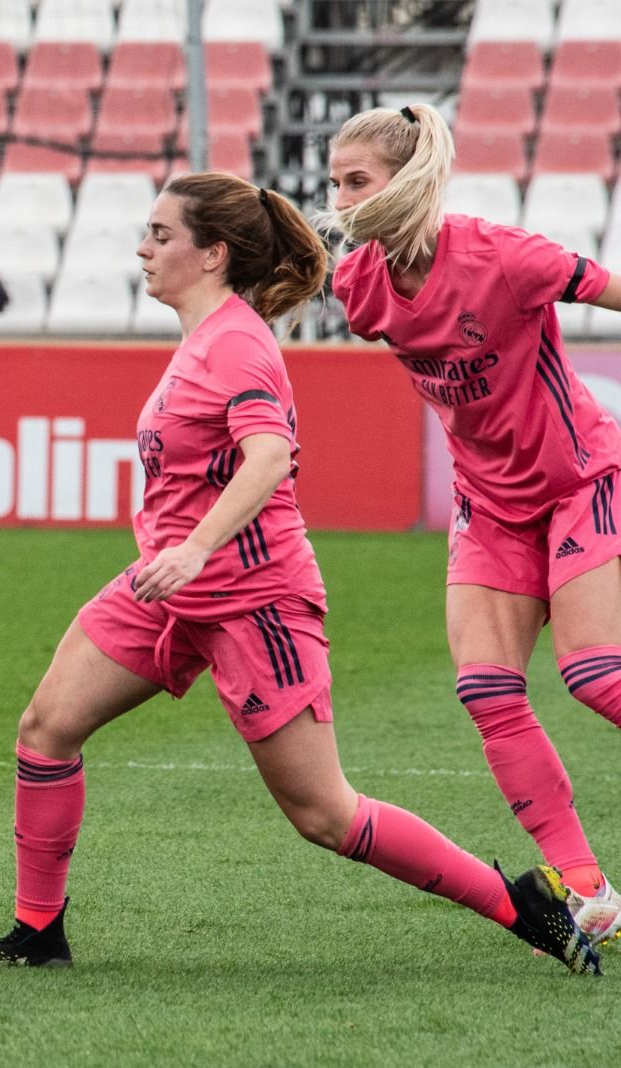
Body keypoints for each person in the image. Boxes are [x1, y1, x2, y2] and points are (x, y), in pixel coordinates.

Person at [0, 172, 600, 973]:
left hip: (256, 603)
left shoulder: (239, 342)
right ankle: (37, 933)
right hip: (167, 592)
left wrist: (195, 548)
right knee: (46, 730)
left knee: (325, 815)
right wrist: (176, 557)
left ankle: (519, 905)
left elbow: (271, 455)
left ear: (212, 254)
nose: (143, 248)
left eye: (162, 235)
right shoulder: (204, 337)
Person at [326, 102, 621, 949]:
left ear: (408, 180)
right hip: (488, 504)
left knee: (597, 675)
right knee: (488, 690)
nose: (341, 199)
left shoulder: (505, 256)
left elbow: (607, 286)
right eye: (336, 182)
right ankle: (591, 890)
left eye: (358, 181)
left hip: (577, 481)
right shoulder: (359, 286)